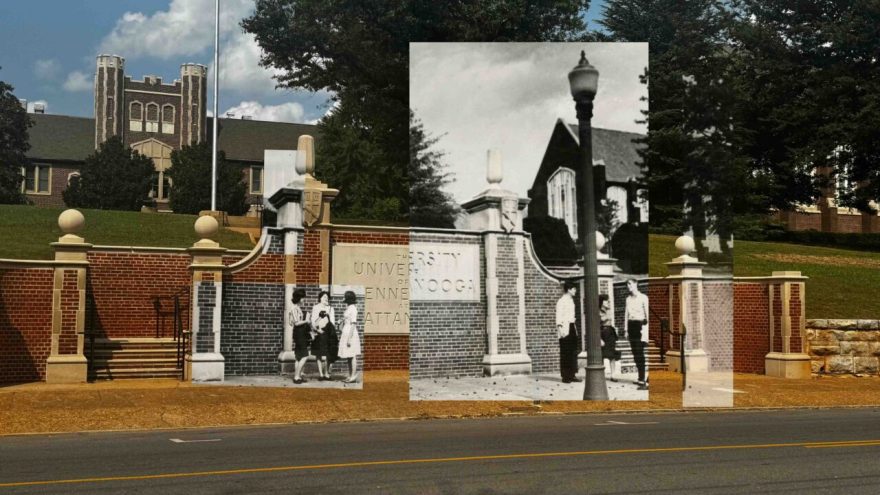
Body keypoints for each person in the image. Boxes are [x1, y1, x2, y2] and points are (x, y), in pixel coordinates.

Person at [624, 278, 649, 390]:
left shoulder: (643, 298)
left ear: (636, 284)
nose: (628, 286)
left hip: (640, 326)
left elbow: (647, 315)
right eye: (627, 284)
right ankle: (640, 377)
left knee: (639, 352)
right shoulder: (628, 299)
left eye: (630, 284)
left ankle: (642, 377)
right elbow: (626, 315)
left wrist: (646, 331)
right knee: (634, 352)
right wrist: (625, 329)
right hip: (631, 326)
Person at [555, 281, 581, 383]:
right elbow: (559, 317)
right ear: (569, 289)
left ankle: (572, 374)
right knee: (565, 353)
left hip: (572, 327)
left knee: (573, 352)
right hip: (565, 329)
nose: (575, 291)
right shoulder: (561, 301)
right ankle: (566, 376)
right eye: (574, 289)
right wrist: (561, 330)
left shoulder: (571, 301)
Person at [310, 290, 336, 381]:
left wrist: (331, 330)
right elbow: (313, 320)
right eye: (324, 297)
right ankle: (321, 374)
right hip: (319, 332)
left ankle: (327, 374)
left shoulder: (330, 308)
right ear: (320, 298)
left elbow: (333, 321)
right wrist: (317, 329)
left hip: (328, 333)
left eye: (327, 297)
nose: (326, 298)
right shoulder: (316, 307)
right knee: (319, 354)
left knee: (329, 353)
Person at [337, 290, 361, 383]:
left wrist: (349, 338)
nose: (343, 298)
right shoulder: (349, 308)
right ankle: (350, 375)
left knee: (352, 355)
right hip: (346, 331)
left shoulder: (353, 308)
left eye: (344, 296)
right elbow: (347, 319)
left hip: (350, 333)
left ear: (348, 298)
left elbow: (353, 324)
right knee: (348, 356)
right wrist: (341, 320)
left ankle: (353, 375)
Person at [288, 288, 311, 384]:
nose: (303, 299)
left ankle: (298, 376)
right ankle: (297, 376)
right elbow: (296, 323)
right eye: (302, 297)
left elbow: (290, 322)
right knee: (305, 355)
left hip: (298, 333)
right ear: (298, 298)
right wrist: (307, 320)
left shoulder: (296, 308)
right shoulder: (294, 308)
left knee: (298, 356)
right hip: (299, 333)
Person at [599, 294, 621, 382]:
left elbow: (610, 321)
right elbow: (596, 325)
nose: (608, 302)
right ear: (601, 301)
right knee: (601, 355)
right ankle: (601, 375)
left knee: (612, 354)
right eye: (606, 300)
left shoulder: (609, 310)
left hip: (610, 332)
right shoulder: (598, 311)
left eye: (608, 300)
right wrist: (599, 339)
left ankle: (613, 375)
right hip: (602, 332)